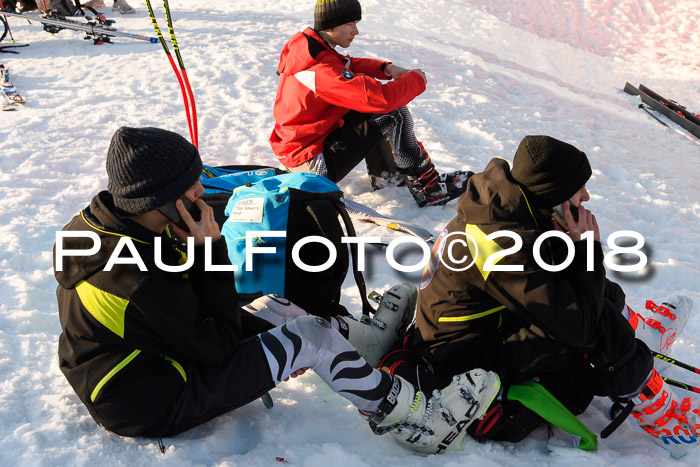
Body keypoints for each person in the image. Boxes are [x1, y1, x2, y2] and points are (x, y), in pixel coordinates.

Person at [53, 126, 499, 453]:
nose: (202, 191)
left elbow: (190, 310)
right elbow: (216, 345)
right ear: (160, 200)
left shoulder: (121, 223)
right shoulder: (132, 281)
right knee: (310, 340)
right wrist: (212, 254)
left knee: (283, 308)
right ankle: (419, 423)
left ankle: (368, 344)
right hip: (150, 397)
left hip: (159, 355)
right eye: (192, 186)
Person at [407, 135, 698, 458]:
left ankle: (647, 338)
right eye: (578, 189)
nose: (586, 196)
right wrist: (587, 249)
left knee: (594, 285)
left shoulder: (509, 206)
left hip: (481, 329)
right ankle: (666, 421)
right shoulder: (499, 244)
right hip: (462, 360)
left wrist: (578, 252)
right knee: (597, 318)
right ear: (553, 194)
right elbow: (577, 327)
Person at [269, 0, 472, 207]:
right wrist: (416, 80)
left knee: (368, 109)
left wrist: (387, 68)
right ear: (330, 24)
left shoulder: (311, 49)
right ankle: (428, 188)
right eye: (350, 24)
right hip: (314, 166)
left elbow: (348, 65)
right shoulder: (319, 69)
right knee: (391, 111)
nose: (356, 31)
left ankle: (386, 177)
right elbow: (381, 99)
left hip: (305, 150)